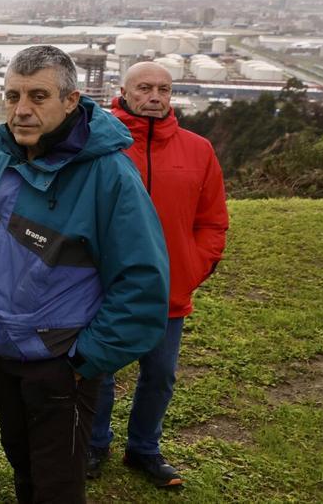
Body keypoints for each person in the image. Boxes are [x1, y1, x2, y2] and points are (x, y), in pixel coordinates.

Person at [0, 45, 169, 503]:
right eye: (12, 96)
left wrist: (84, 361)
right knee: (23, 466)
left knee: (58, 484)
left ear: (71, 100)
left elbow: (143, 284)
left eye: (38, 96)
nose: (21, 110)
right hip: (2, 353)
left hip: (60, 364)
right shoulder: (0, 159)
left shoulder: (109, 175)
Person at [87, 61, 228, 487]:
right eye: (144, 87)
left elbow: (213, 222)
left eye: (163, 89)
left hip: (169, 291)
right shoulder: (100, 145)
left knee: (160, 376)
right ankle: (94, 446)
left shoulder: (198, 149)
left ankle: (144, 449)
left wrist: (191, 267)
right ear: (124, 92)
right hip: (103, 288)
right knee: (98, 371)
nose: (155, 96)